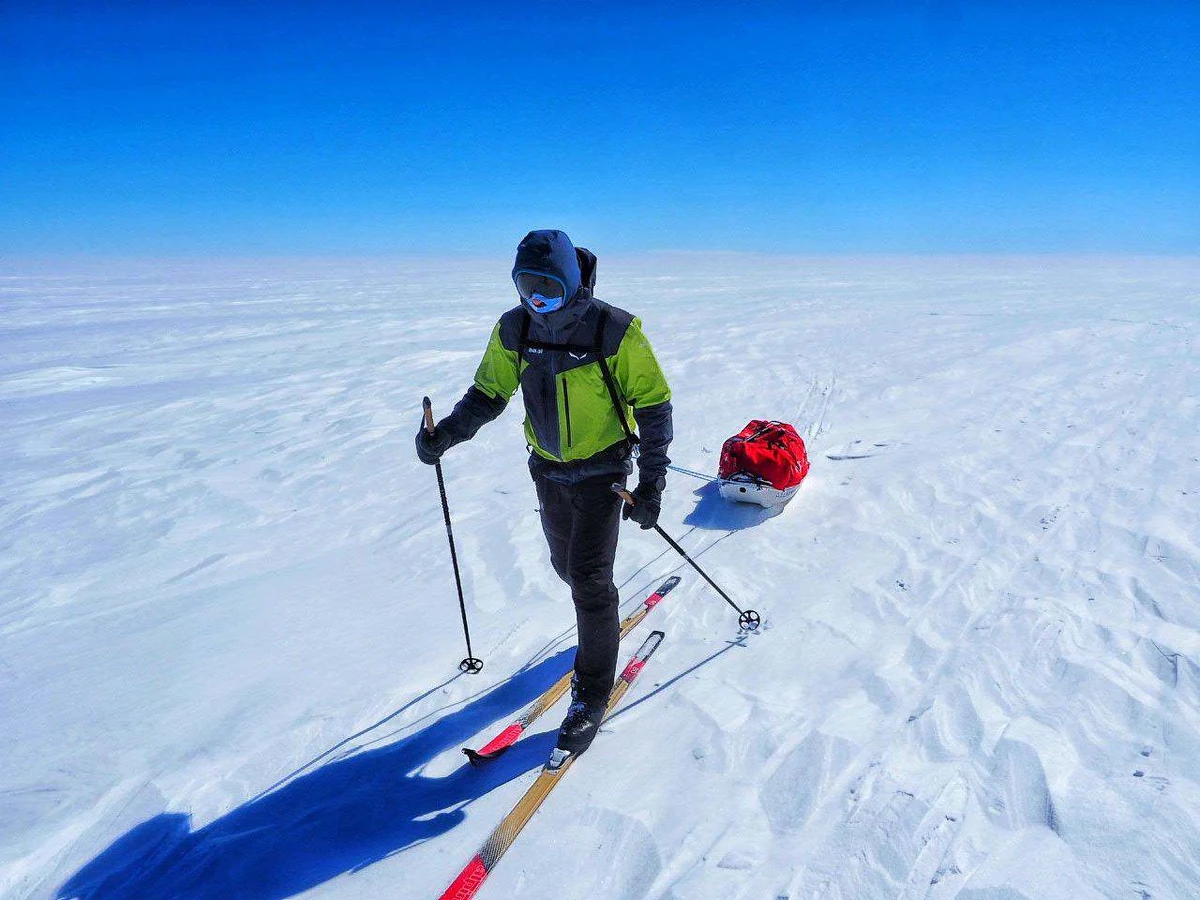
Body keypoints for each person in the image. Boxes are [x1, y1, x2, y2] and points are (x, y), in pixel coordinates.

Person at [416, 229, 673, 756]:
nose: (537, 299)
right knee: (566, 566)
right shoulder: (514, 329)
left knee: (587, 579)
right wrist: (446, 434)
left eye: (548, 288)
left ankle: (593, 689)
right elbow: (489, 393)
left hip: (605, 472)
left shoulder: (613, 329)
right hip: (549, 471)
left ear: (572, 281)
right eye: (526, 287)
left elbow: (653, 406)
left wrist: (651, 482)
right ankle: (597, 617)